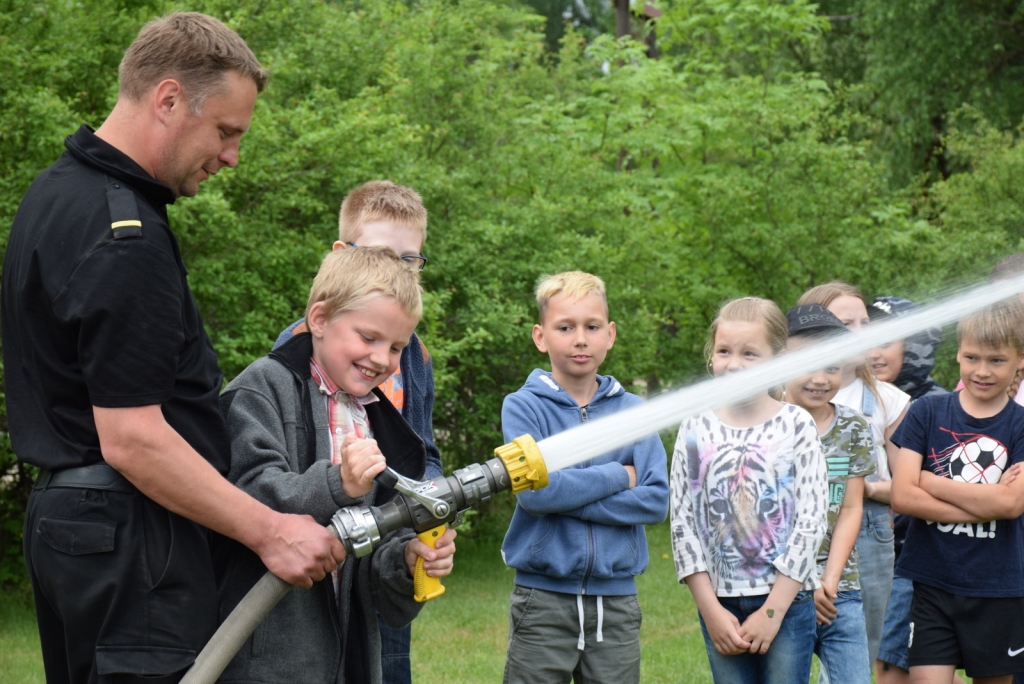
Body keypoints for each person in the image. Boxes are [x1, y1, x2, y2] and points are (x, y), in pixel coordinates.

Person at [1, 13, 344, 684]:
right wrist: (271, 531)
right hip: (130, 541)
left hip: (78, 529)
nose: (231, 157)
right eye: (225, 132)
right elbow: (133, 438)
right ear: (166, 100)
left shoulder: (54, 196)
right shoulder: (124, 235)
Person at [216, 246, 457, 683]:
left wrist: (406, 560)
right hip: (264, 663)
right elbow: (245, 494)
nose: (383, 359)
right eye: (369, 338)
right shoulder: (261, 389)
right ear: (320, 319)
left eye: (397, 347)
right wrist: (338, 485)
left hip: (351, 663)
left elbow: (382, 577)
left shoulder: (381, 423)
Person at [272, 180, 440, 683]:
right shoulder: (300, 346)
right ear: (343, 255)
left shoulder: (412, 355)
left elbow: (421, 451)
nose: (400, 271)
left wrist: (433, 502)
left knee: (386, 666)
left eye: (412, 261)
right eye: (386, 255)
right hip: (316, 560)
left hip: (387, 556)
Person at [500, 271, 668, 684]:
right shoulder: (522, 408)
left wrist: (564, 491)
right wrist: (617, 474)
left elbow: (655, 501)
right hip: (541, 600)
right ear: (540, 336)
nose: (580, 339)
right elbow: (535, 496)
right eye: (565, 327)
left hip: (617, 604)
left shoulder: (635, 412)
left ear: (610, 334)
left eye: (592, 327)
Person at [671, 297, 827, 684]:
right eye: (724, 351)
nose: (734, 363)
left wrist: (773, 611)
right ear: (712, 355)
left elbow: (812, 521)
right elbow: (682, 524)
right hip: (719, 603)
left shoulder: (796, 424)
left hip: (786, 603)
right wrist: (709, 610)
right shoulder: (694, 427)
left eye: (750, 353)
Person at [890, 298, 1024, 684]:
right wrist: (990, 503)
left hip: (1000, 586)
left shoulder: (1019, 425)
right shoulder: (927, 413)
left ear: (1020, 360)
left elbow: (1012, 503)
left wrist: (931, 482)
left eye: (996, 360)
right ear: (958, 355)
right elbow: (902, 497)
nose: (982, 371)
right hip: (932, 580)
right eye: (972, 357)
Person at [797, 282, 910, 669]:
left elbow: (909, 485)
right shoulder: (786, 400)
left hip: (867, 532)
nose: (861, 332)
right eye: (847, 323)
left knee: (859, 643)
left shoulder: (885, 399)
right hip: (794, 530)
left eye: (866, 322)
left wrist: (866, 488)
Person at [867, 296, 960, 684]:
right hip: (877, 560)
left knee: (891, 670)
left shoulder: (940, 407)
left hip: (923, 561)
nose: (873, 353)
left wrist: (868, 489)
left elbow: (939, 490)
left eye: (887, 341)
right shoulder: (862, 401)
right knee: (903, 668)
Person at [784, 305, 874, 684]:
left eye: (833, 367)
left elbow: (852, 507)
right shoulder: (765, 426)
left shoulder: (853, 426)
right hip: (778, 589)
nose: (821, 379)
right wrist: (800, 582)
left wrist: (830, 581)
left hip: (840, 590)